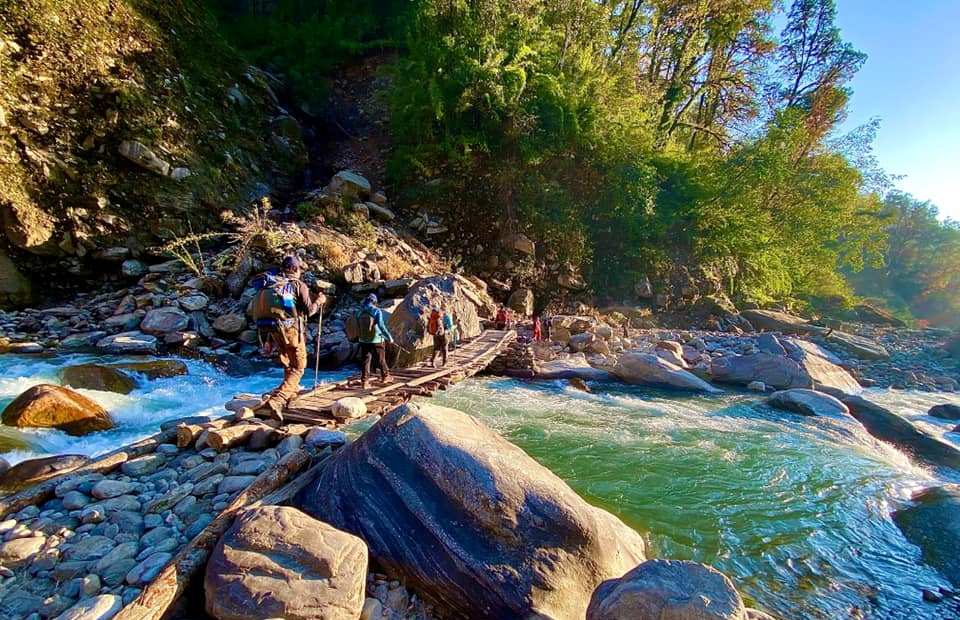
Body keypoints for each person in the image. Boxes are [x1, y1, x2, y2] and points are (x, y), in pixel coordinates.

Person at [253, 256, 326, 420]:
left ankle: (290, 395)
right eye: (300, 269)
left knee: (288, 363)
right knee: (299, 366)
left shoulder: (272, 284)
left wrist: (268, 340)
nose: (300, 271)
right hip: (291, 329)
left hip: (274, 330)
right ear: (295, 269)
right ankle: (278, 399)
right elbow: (309, 311)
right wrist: (320, 301)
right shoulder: (298, 285)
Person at [356, 293, 394, 389]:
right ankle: (385, 376)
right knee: (381, 359)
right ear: (374, 301)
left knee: (366, 360)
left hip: (363, 340)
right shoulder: (376, 311)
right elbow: (381, 326)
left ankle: (365, 382)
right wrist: (389, 337)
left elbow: (357, 326)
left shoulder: (359, 312)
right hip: (376, 339)